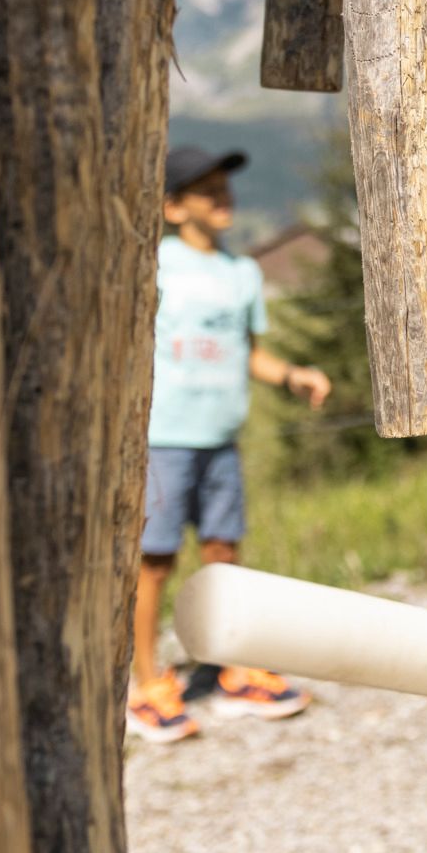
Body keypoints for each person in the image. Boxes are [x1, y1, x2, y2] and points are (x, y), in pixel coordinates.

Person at [127, 145, 334, 745]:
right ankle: (147, 683)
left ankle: (232, 670)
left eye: (224, 186)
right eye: (205, 189)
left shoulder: (240, 273)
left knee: (223, 555)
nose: (222, 197)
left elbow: (250, 353)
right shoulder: (155, 265)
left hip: (221, 439)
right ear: (171, 207)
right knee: (154, 563)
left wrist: (292, 375)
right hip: (163, 438)